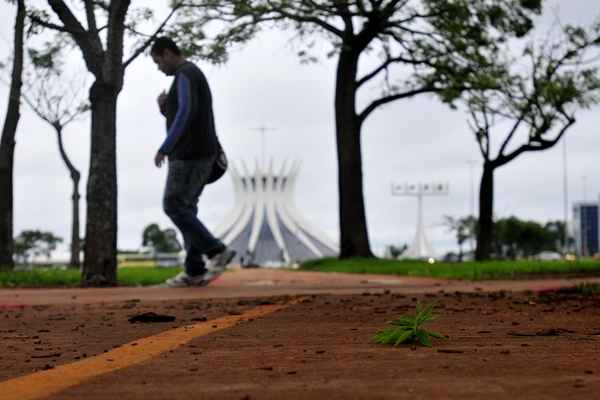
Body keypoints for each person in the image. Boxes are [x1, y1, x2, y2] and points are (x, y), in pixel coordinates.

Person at [150, 37, 235, 287]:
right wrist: (165, 109)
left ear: (166, 53)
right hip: (201, 153)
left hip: (190, 155)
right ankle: (194, 270)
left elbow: (186, 112)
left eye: (157, 61)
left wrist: (165, 147)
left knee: (174, 205)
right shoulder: (188, 76)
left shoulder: (186, 74)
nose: (158, 68)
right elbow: (186, 111)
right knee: (187, 209)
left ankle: (216, 250)